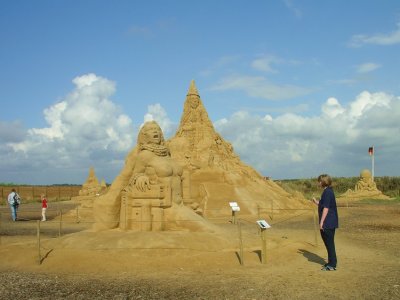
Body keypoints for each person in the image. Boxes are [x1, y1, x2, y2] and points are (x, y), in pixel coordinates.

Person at [312, 174, 339, 271]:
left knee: (329, 243)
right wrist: (316, 202)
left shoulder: (327, 192)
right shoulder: (327, 191)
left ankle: (332, 265)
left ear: (323, 182)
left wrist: (322, 222)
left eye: (319, 181)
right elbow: (324, 205)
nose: (318, 183)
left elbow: (326, 208)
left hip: (328, 222)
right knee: (328, 243)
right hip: (329, 222)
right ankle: (331, 262)